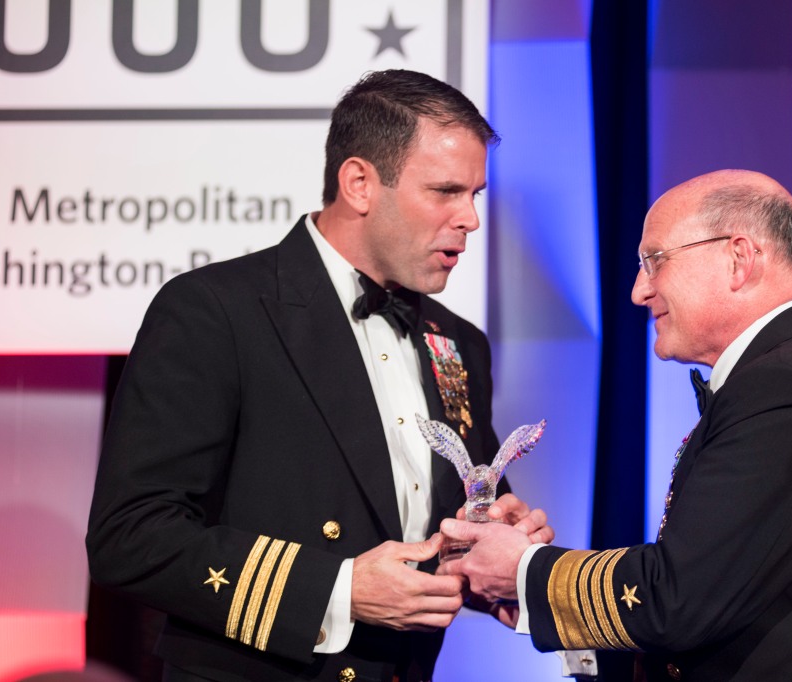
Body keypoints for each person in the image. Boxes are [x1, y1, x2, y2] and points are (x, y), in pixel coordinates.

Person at [86, 69, 552, 682]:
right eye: (445, 191)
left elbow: (444, 527)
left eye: (475, 195)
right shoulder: (216, 310)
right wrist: (338, 590)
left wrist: (493, 548)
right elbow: (130, 537)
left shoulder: (459, 342)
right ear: (359, 183)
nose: (470, 218)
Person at [440, 169, 792, 681]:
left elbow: (679, 599)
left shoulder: (788, 388)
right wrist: (526, 596)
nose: (638, 291)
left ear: (739, 259)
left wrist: (526, 570)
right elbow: (721, 612)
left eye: (653, 262)